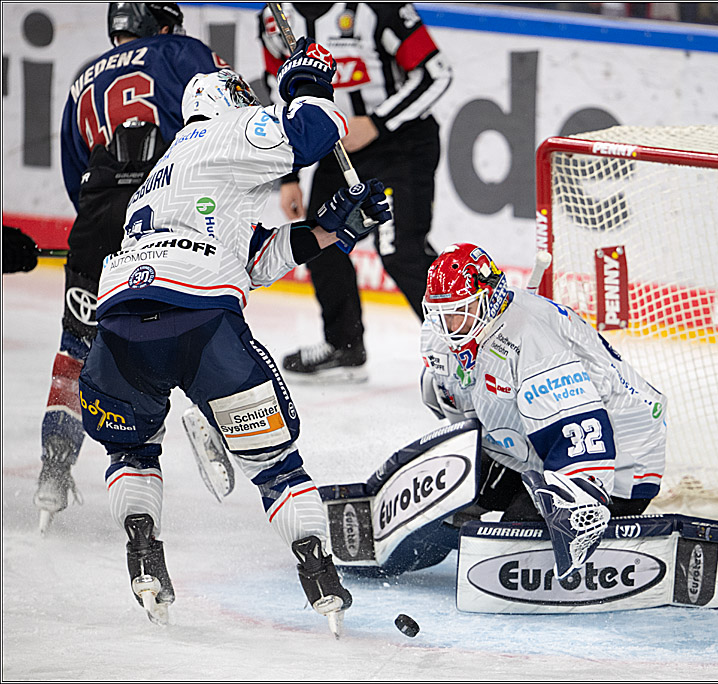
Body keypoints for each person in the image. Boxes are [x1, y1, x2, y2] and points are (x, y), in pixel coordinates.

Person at [77, 39, 392, 630]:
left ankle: (143, 551)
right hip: (201, 327)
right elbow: (314, 129)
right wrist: (307, 80)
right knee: (277, 468)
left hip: (119, 329)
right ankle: (317, 570)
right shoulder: (222, 132)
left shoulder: (169, 174)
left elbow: (255, 260)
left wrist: (333, 227)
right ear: (226, 100)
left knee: (132, 449)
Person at [36, 2, 228, 532]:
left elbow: (77, 180)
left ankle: (53, 472)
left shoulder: (81, 82)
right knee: (196, 326)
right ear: (160, 23)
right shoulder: (183, 52)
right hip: (164, 209)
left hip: (96, 223)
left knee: (76, 348)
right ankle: (212, 415)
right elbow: (231, 124)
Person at [418, 243, 668, 578]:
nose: (448, 323)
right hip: (530, 443)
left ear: (489, 298)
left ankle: (592, 518)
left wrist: (577, 511)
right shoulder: (445, 335)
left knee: (511, 546)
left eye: (460, 310)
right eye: (441, 311)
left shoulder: (534, 342)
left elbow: (581, 434)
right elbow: (454, 401)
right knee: (449, 487)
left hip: (618, 456)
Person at [257, 2, 452, 381]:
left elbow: (436, 74)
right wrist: (290, 175)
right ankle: (345, 345)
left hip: (401, 143)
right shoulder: (273, 15)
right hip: (341, 147)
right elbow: (279, 89)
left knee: (399, 252)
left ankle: (464, 348)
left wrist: (378, 122)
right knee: (319, 239)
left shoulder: (378, 8)